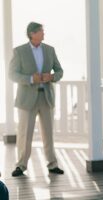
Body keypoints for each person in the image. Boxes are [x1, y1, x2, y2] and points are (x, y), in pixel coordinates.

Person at [9, 22, 64, 177]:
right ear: (32, 34)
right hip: (26, 100)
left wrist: (52, 76)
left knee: (49, 134)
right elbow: (12, 74)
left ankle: (52, 165)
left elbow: (60, 71)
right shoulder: (19, 51)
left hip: (46, 98)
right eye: (41, 31)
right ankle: (21, 165)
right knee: (25, 134)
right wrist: (30, 79)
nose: (44, 33)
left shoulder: (50, 50)